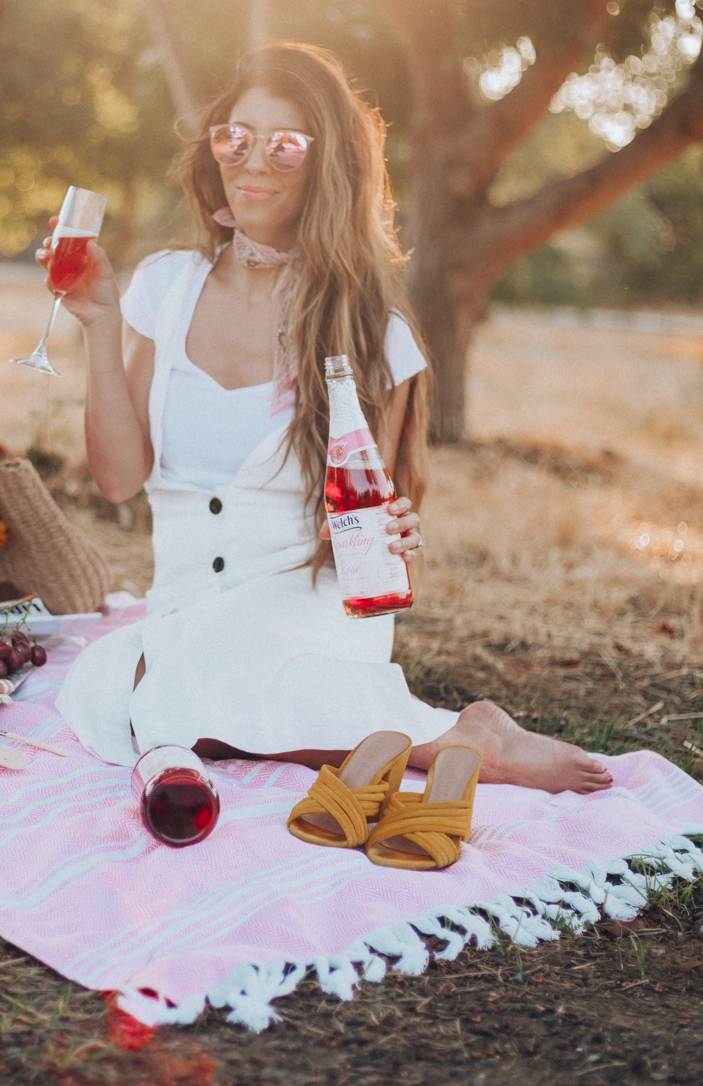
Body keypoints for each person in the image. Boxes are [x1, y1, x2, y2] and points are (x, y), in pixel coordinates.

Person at [52, 43, 612, 796]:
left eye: (284, 144)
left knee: (163, 693)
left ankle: (456, 734)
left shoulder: (368, 329)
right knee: (103, 690)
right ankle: (438, 736)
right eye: (235, 137)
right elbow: (120, 480)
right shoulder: (164, 288)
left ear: (326, 165)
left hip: (306, 610)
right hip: (185, 605)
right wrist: (95, 325)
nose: (251, 161)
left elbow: (375, 554)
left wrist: (394, 539)